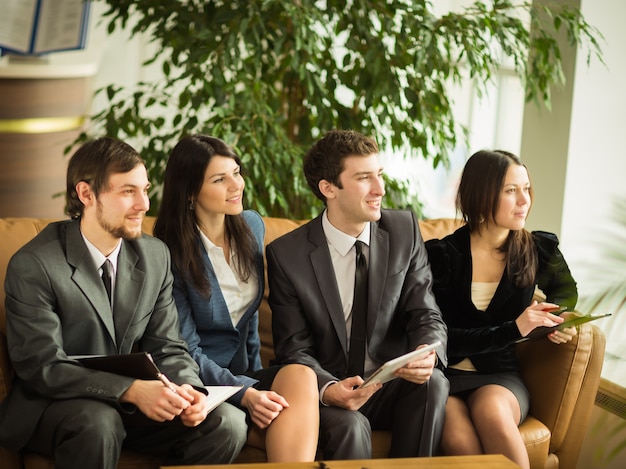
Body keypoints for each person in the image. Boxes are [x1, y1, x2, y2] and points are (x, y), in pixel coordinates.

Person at [0, 137, 248, 469]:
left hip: (131, 407)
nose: (144, 204)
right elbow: (42, 366)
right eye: (128, 192)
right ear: (86, 194)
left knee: (227, 423)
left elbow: (168, 347)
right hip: (57, 404)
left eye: (145, 190)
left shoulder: (155, 255)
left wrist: (191, 392)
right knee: (99, 422)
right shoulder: (35, 264)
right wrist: (131, 390)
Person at [265, 129, 449, 459]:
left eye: (379, 175)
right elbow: (293, 347)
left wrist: (426, 351)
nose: (380, 189)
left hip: (388, 381)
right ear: (328, 188)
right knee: (352, 427)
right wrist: (328, 389)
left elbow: (425, 312)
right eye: (364, 178)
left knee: (432, 384)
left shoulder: (404, 230)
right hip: (331, 387)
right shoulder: (286, 255)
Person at [153, 134, 319, 462]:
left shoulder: (252, 226)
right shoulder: (167, 253)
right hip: (201, 383)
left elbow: (250, 319)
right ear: (189, 193)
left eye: (236, 172)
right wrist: (247, 393)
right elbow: (186, 350)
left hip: (244, 374)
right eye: (220, 179)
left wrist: (256, 381)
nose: (236, 185)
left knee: (301, 374)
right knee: (277, 419)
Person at [425, 149, 578, 469]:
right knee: (458, 439)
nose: (524, 200)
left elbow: (566, 289)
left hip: (501, 378)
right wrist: (514, 329)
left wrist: (555, 318)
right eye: (511, 191)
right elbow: (440, 337)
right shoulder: (441, 257)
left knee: (493, 413)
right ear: (481, 195)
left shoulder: (537, 249)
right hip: (445, 377)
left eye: (526, 188)